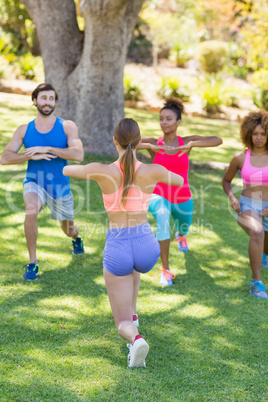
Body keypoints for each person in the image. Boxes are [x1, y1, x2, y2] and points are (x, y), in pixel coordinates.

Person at [63, 118, 184, 367]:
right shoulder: (153, 171)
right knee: (133, 268)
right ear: (139, 142)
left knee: (121, 324)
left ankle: (135, 337)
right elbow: (180, 182)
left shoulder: (102, 170)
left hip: (118, 245)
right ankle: (134, 313)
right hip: (146, 246)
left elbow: (68, 170)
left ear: (115, 141)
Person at [1, 83, 85, 281]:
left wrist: (46, 149)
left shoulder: (67, 126)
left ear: (54, 102)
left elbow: (78, 155)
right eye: (44, 98)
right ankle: (33, 262)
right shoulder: (24, 130)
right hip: (34, 183)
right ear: (35, 101)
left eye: (51, 98)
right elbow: (5, 158)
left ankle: (76, 239)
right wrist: (30, 156)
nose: (48, 102)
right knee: (30, 208)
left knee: (68, 229)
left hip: (60, 186)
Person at [137, 98, 222, 286]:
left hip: (183, 196)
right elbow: (122, 142)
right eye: (161, 119)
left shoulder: (187, 141)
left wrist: (191, 146)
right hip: (159, 194)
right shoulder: (154, 142)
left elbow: (218, 140)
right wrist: (149, 147)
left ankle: (181, 236)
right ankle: (165, 270)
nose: (164, 123)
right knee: (162, 216)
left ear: (178, 122)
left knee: (183, 227)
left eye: (168, 119)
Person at [222, 110, 268, 300]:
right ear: (248, 133)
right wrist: (233, 198)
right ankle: (256, 284)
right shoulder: (240, 157)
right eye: (255, 133)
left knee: (264, 244)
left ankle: (264, 254)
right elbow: (226, 181)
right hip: (248, 205)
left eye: (263, 133)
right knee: (257, 232)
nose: (258, 137)